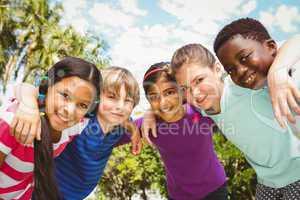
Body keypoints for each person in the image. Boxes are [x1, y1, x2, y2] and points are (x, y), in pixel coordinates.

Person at [144, 43, 300, 199]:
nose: (196, 93)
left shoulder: (242, 86)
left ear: (217, 69)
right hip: (269, 182)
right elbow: (168, 104)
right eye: (185, 88)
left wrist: (278, 71)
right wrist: (150, 112)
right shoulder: (202, 107)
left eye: (199, 80)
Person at [13, 66, 142, 199]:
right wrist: (29, 106)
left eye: (127, 101)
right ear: (94, 96)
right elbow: (25, 88)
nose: (120, 106)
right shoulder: (79, 120)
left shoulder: (117, 128)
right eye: (111, 97)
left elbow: (128, 120)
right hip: (41, 192)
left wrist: (133, 130)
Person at [0, 57, 101, 200]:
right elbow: (26, 88)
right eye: (65, 95)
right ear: (47, 87)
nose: (70, 110)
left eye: (82, 105)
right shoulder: (14, 122)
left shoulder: (74, 127)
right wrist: (28, 103)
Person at [137, 62, 227, 200]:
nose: (163, 103)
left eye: (170, 92)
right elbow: (108, 134)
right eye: (154, 96)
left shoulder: (200, 110)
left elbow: (225, 91)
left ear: (181, 90)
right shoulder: (148, 125)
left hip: (215, 189)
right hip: (179, 196)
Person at [214, 18, 300, 128]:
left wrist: (278, 70)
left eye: (244, 58)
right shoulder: (253, 95)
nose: (240, 71)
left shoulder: (294, 69)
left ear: (271, 47)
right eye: (231, 70)